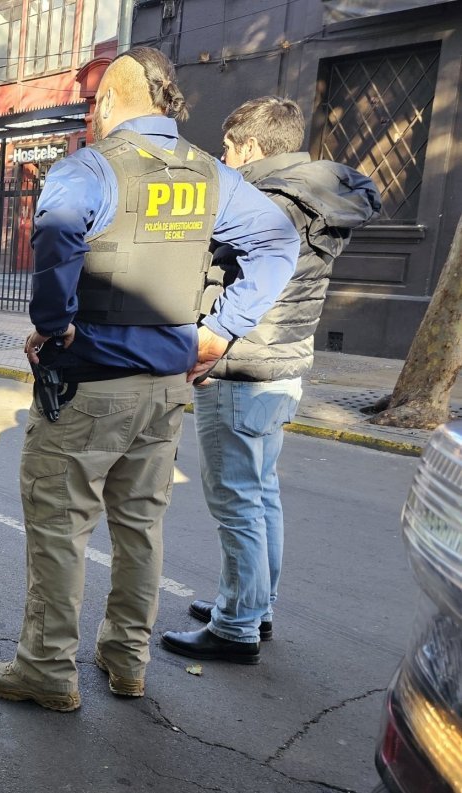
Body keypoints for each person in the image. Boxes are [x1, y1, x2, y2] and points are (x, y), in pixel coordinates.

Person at [0, 47, 300, 712]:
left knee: (61, 530)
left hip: (90, 385)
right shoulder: (208, 173)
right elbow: (277, 241)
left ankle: (47, 670)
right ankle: (127, 662)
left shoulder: (89, 168)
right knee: (139, 528)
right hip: (167, 388)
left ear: (105, 103)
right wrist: (222, 329)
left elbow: (57, 244)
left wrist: (54, 324)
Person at [162, 97, 380, 664]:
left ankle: (236, 626)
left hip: (241, 367)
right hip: (284, 366)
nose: (224, 157)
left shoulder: (265, 201)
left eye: (229, 147)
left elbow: (234, 282)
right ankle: (254, 607)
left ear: (253, 147)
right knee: (261, 494)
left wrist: (207, 339)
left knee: (236, 500)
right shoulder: (316, 197)